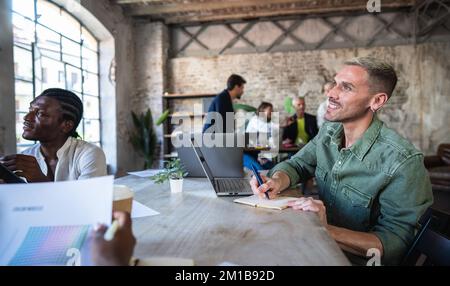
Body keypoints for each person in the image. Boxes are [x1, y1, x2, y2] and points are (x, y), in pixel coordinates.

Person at [250, 57, 433, 265]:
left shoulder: (403, 162)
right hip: (315, 248)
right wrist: (276, 180)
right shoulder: (329, 132)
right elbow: (298, 164)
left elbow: (395, 244)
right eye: (335, 83)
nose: (331, 93)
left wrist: (324, 229)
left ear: (377, 101)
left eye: (346, 88)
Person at [0, 88, 107, 182]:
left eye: (40, 114)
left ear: (66, 126)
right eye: (30, 110)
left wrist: (39, 180)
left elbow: (88, 202)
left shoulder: (88, 154)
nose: (27, 117)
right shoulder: (26, 157)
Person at [244, 102, 278, 170]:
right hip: (246, 152)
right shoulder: (255, 119)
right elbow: (266, 130)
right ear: (262, 110)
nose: (272, 112)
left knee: (275, 168)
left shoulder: (267, 123)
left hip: (257, 153)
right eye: (270, 110)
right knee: (260, 169)